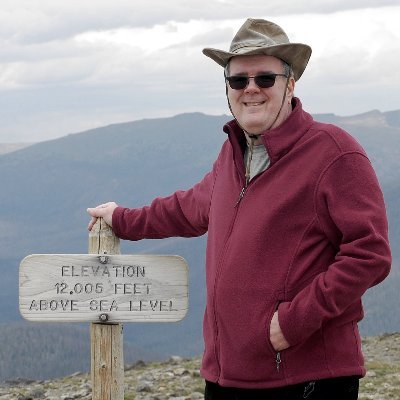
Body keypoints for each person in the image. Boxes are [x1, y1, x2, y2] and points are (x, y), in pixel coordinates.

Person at [87, 18, 391, 400]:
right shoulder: (235, 154)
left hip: (305, 378)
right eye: (238, 80)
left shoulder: (334, 152)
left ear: (290, 84)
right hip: (227, 377)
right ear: (228, 88)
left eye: (265, 79)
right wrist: (121, 219)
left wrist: (294, 322)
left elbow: (371, 254)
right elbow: (188, 208)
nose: (251, 90)